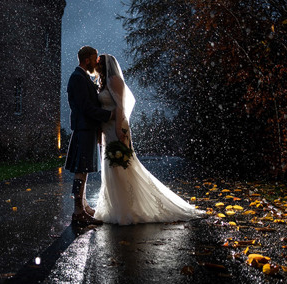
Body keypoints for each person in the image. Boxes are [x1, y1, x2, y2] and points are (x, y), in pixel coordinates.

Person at [94, 54, 204, 225]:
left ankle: (127, 209)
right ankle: (116, 207)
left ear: (107, 64)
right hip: (107, 130)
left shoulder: (114, 79)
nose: (97, 65)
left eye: (99, 63)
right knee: (111, 166)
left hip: (117, 127)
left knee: (122, 166)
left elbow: (121, 106)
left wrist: (118, 128)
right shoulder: (103, 83)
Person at [65, 46, 113, 226]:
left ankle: (82, 206)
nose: (96, 62)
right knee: (80, 170)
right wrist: (108, 116)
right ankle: (78, 212)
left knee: (82, 171)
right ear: (87, 60)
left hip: (87, 129)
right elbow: (86, 107)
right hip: (84, 129)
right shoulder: (78, 78)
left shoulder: (82, 77)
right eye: (94, 59)